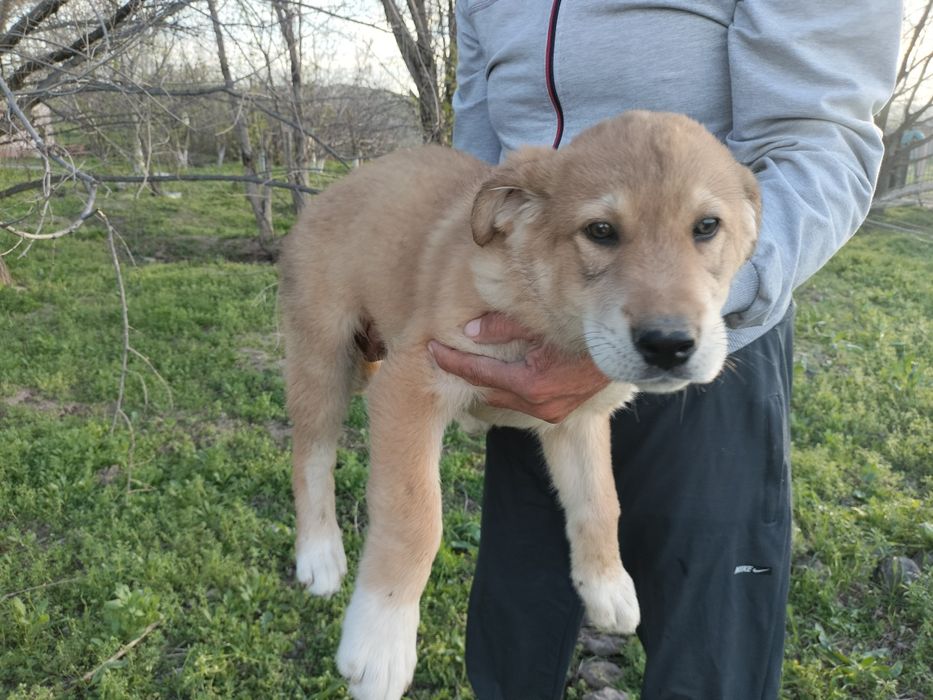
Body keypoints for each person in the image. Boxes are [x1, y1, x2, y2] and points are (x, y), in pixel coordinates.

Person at [427, 2, 902, 698]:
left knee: (706, 643)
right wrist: (444, 283)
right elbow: (478, 141)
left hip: (709, 342)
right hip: (530, 331)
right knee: (516, 619)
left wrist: (686, 309)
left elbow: (819, 147)